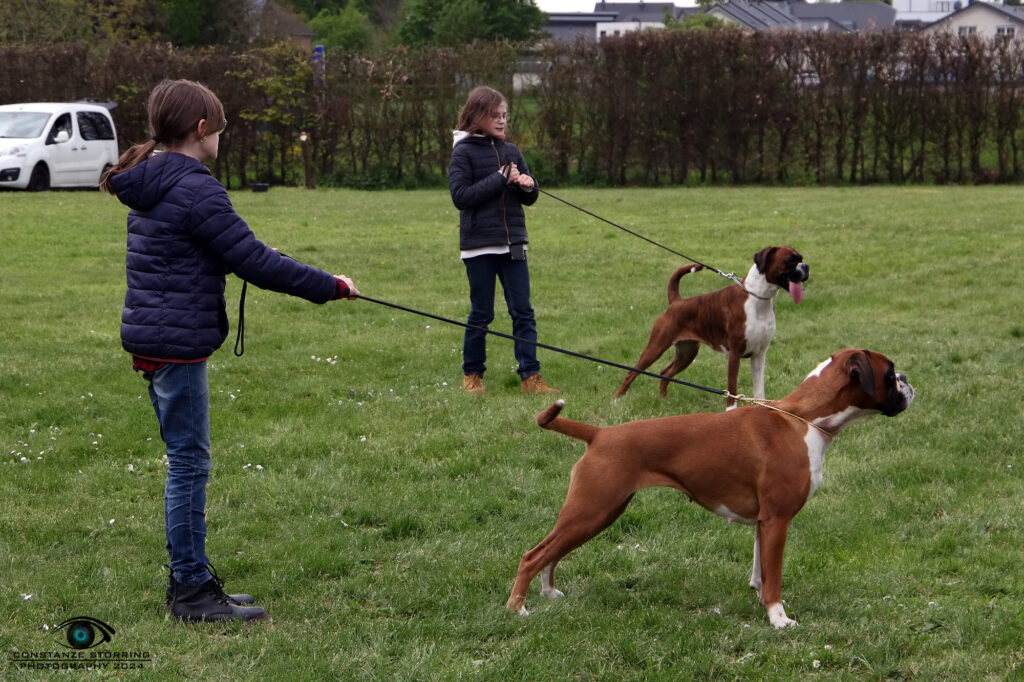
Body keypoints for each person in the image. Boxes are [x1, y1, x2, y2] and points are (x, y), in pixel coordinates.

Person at [101, 79, 359, 623]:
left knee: (185, 460)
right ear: (201, 130)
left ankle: (190, 581)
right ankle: (192, 592)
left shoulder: (152, 179)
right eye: (220, 127)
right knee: (189, 463)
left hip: (158, 339)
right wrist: (328, 285)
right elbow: (255, 261)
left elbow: (217, 251)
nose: (222, 136)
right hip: (176, 344)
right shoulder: (195, 188)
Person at [448, 85, 559, 395]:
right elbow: (461, 197)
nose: (501, 121)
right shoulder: (463, 151)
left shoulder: (512, 151)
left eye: (504, 115)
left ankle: (530, 377)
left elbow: (530, 197)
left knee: (523, 311)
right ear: (476, 115)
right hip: (479, 246)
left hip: (514, 245)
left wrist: (528, 185)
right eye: (494, 115)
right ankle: (473, 375)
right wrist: (499, 178)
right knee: (481, 313)